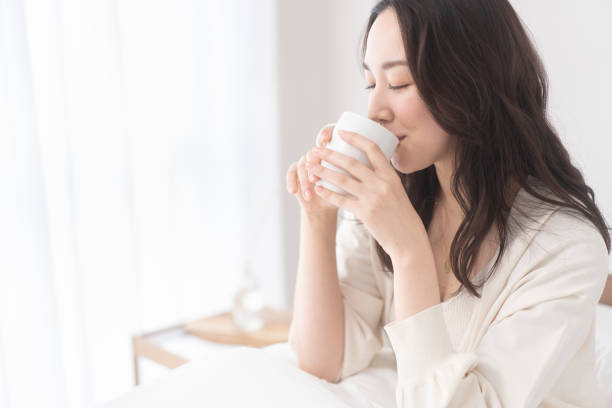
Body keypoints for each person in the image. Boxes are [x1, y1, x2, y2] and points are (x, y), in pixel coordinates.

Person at [285, 0, 611, 406]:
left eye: (400, 83)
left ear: (470, 81)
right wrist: (318, 217)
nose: (375, 111)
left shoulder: (564, 246)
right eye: (372, 84)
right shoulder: (393, 201)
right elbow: (322, 359)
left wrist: (409, 253)